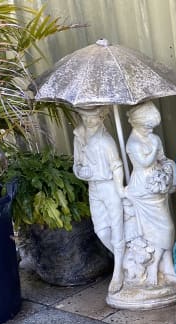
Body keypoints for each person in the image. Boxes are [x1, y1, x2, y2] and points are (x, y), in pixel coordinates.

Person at [72, 106, 126, 292]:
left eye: (93, 117)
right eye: (85, 116)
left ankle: (119, 270)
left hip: (109, 186)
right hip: (93, 187)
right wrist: (80, 171)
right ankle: (127, 262)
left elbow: (117, 166)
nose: (88, 120)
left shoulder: (106, 141)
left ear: (102, 117)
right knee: (101, 230)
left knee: (117, 228)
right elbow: (76, 164)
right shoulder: (79, 136)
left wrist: (120, 189)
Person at [124, 101, 176, 286]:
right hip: (142, 189)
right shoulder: (132, 143)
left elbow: (162, 159)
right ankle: (154, 267)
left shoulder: (154, 138)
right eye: (147, 126)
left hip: (157, 187)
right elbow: (145, 163)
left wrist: (168, 172)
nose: (150, 130)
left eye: (151, 127)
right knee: (155, 232)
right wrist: (154, 147)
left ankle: (166, 266)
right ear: (136, 123)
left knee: (166, 228)